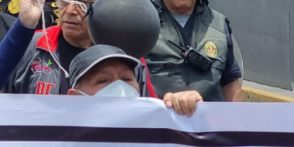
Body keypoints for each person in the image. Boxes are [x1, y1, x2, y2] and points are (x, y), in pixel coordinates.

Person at [147, 0, 242, 102]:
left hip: (208, 125)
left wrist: (236, 126)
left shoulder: (218, 25)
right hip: (159, 125)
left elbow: (230, 83)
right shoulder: (142, 21)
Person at [5, 0, 113, 95]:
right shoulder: (29, 47)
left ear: (102, 4)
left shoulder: (121, 54)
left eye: (82, 2)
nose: (70, 10)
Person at [66, 45, 203, 116]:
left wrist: (188, 112)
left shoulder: (159, 130)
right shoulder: (56, 143)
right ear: (75, 97)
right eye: (103, 81)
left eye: (126, 79)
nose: (119, 87)